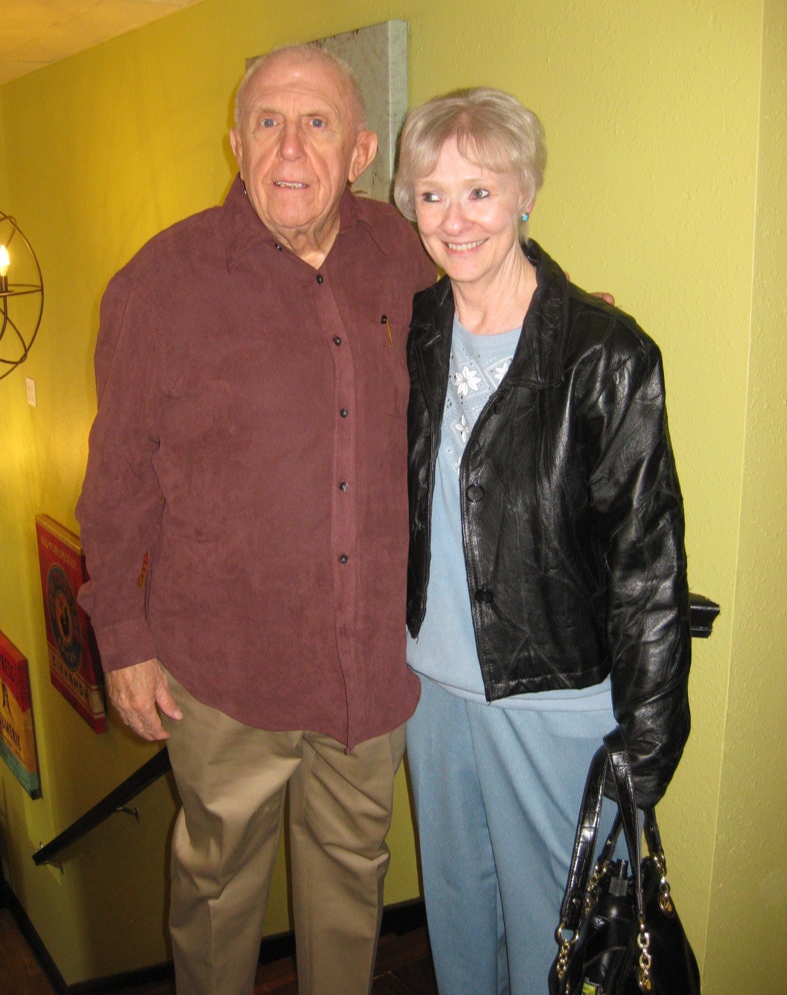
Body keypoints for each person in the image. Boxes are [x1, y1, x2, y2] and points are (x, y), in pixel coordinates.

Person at [76, 45, 436, 995]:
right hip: (223, 673)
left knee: (352, 889)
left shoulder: (406, 252)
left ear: (360, 150)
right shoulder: (159, 284)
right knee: (214, 892)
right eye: (267, 123)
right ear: (235, 144)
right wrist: (123, 639)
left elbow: (500, 276)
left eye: (316, 123)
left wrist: (573, 320)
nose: (290, 148)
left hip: (368, 665)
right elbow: (116, 484)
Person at [393, 87, 691, 994]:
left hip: (554, 698)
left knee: (556, 943)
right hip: (432, 695)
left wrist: (648, 740)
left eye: (479, 191)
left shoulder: (603, 353)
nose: (455, 219)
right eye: (433, 194)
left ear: (525, 192)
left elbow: (648, 563)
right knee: (457, 926)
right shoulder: (418, 329)